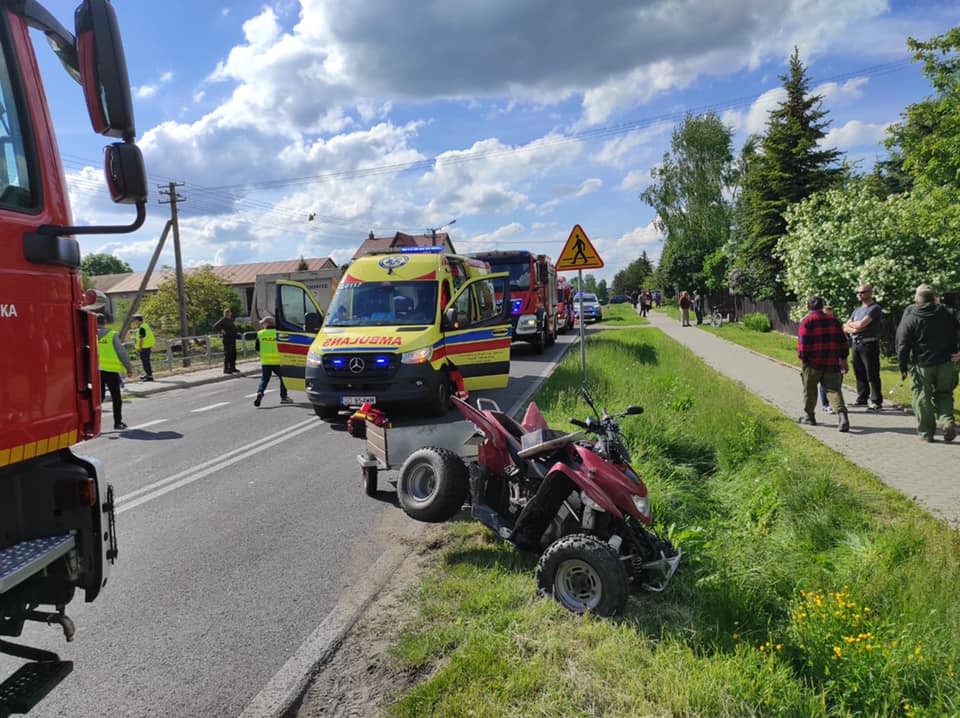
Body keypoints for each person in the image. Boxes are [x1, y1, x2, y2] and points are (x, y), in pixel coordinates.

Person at [895, 284, 960, 443]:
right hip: (946, 362)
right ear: (934, 298)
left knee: (922, 397)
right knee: (944, 394)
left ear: (917, 300)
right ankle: (947, 422)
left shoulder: (911, 318)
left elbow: (902, 344)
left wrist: (902, 367)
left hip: (922, 364)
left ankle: (926, 433)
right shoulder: (949, 312)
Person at [797, 296, 850, 431]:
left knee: (810, 390)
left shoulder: (807, 322)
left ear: (808, 307)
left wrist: (803, 359)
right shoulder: (834, 321)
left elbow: (803, 345)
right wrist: (843, 359)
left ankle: (809, 416)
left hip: (812, 363)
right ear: (822, 306)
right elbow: (843, 342)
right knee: (834, 390)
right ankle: (842, 415)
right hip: (832, 361)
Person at [843, 284, 883, 411]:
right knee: (859, 372)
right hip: (856, 343)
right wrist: (855, 328)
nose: (859, 294)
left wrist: (855, 327)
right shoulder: (857, 310)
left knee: (872, 372)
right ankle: (862, 398)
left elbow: (862, 324)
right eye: (858, 292)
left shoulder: (874, 308)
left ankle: (876, 400)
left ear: (870, 293)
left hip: (868, 344)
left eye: (862, 292)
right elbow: (846, 326)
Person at [96, 313, 133, 430]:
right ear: (104, 322)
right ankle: (118, 423)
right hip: (111, 371)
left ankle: (93, 424)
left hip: (96, 372)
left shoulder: (90, 335)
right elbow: (121, 352)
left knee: (98, 399)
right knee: (116, 397)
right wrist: (128, 367)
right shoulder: (112, 335)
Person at [254, 316, 293, 407]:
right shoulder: (279, 333)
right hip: (278, 361)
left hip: (266, 362)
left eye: (263, 323)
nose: (262, 325)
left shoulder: (260, 334)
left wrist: (262, 357)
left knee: (264, 379)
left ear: (267, 323)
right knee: (283, 379)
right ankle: (284, 397)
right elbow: (286, 346)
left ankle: (260, 392)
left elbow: (257, 349)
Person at [818, 305, 841, 414]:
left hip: (835, 358)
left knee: (837, 382)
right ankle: (825, 404)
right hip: (822, 358)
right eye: (826, 314)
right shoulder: (818, 325)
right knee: (824, 383)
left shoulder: (836, 324)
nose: (829, 317)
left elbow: (842, 342)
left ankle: (835, 403)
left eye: (831, 315)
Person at [213, 308, 240, 375]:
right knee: (228, 354)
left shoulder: (230, 320)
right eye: (226, 313)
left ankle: (232, 368)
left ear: (230, 313)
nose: (228, 314)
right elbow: (215, 326)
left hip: (232, 339)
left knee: (233, 354)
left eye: (228, 312)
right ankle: (226, 369)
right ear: (224, 314)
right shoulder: (223, 320)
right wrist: (221, 330)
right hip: (227, 340)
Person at [132, 313, 155, 381]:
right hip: (147, 346)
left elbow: (141, 339)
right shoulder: (145, 325)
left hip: (144, 347)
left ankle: (149, 376)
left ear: (138, 321)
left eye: (135, 320)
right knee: (146, 361)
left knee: (145, 362)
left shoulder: (142, 328)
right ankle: (148, 374)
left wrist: (140, 348)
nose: (134, 322)